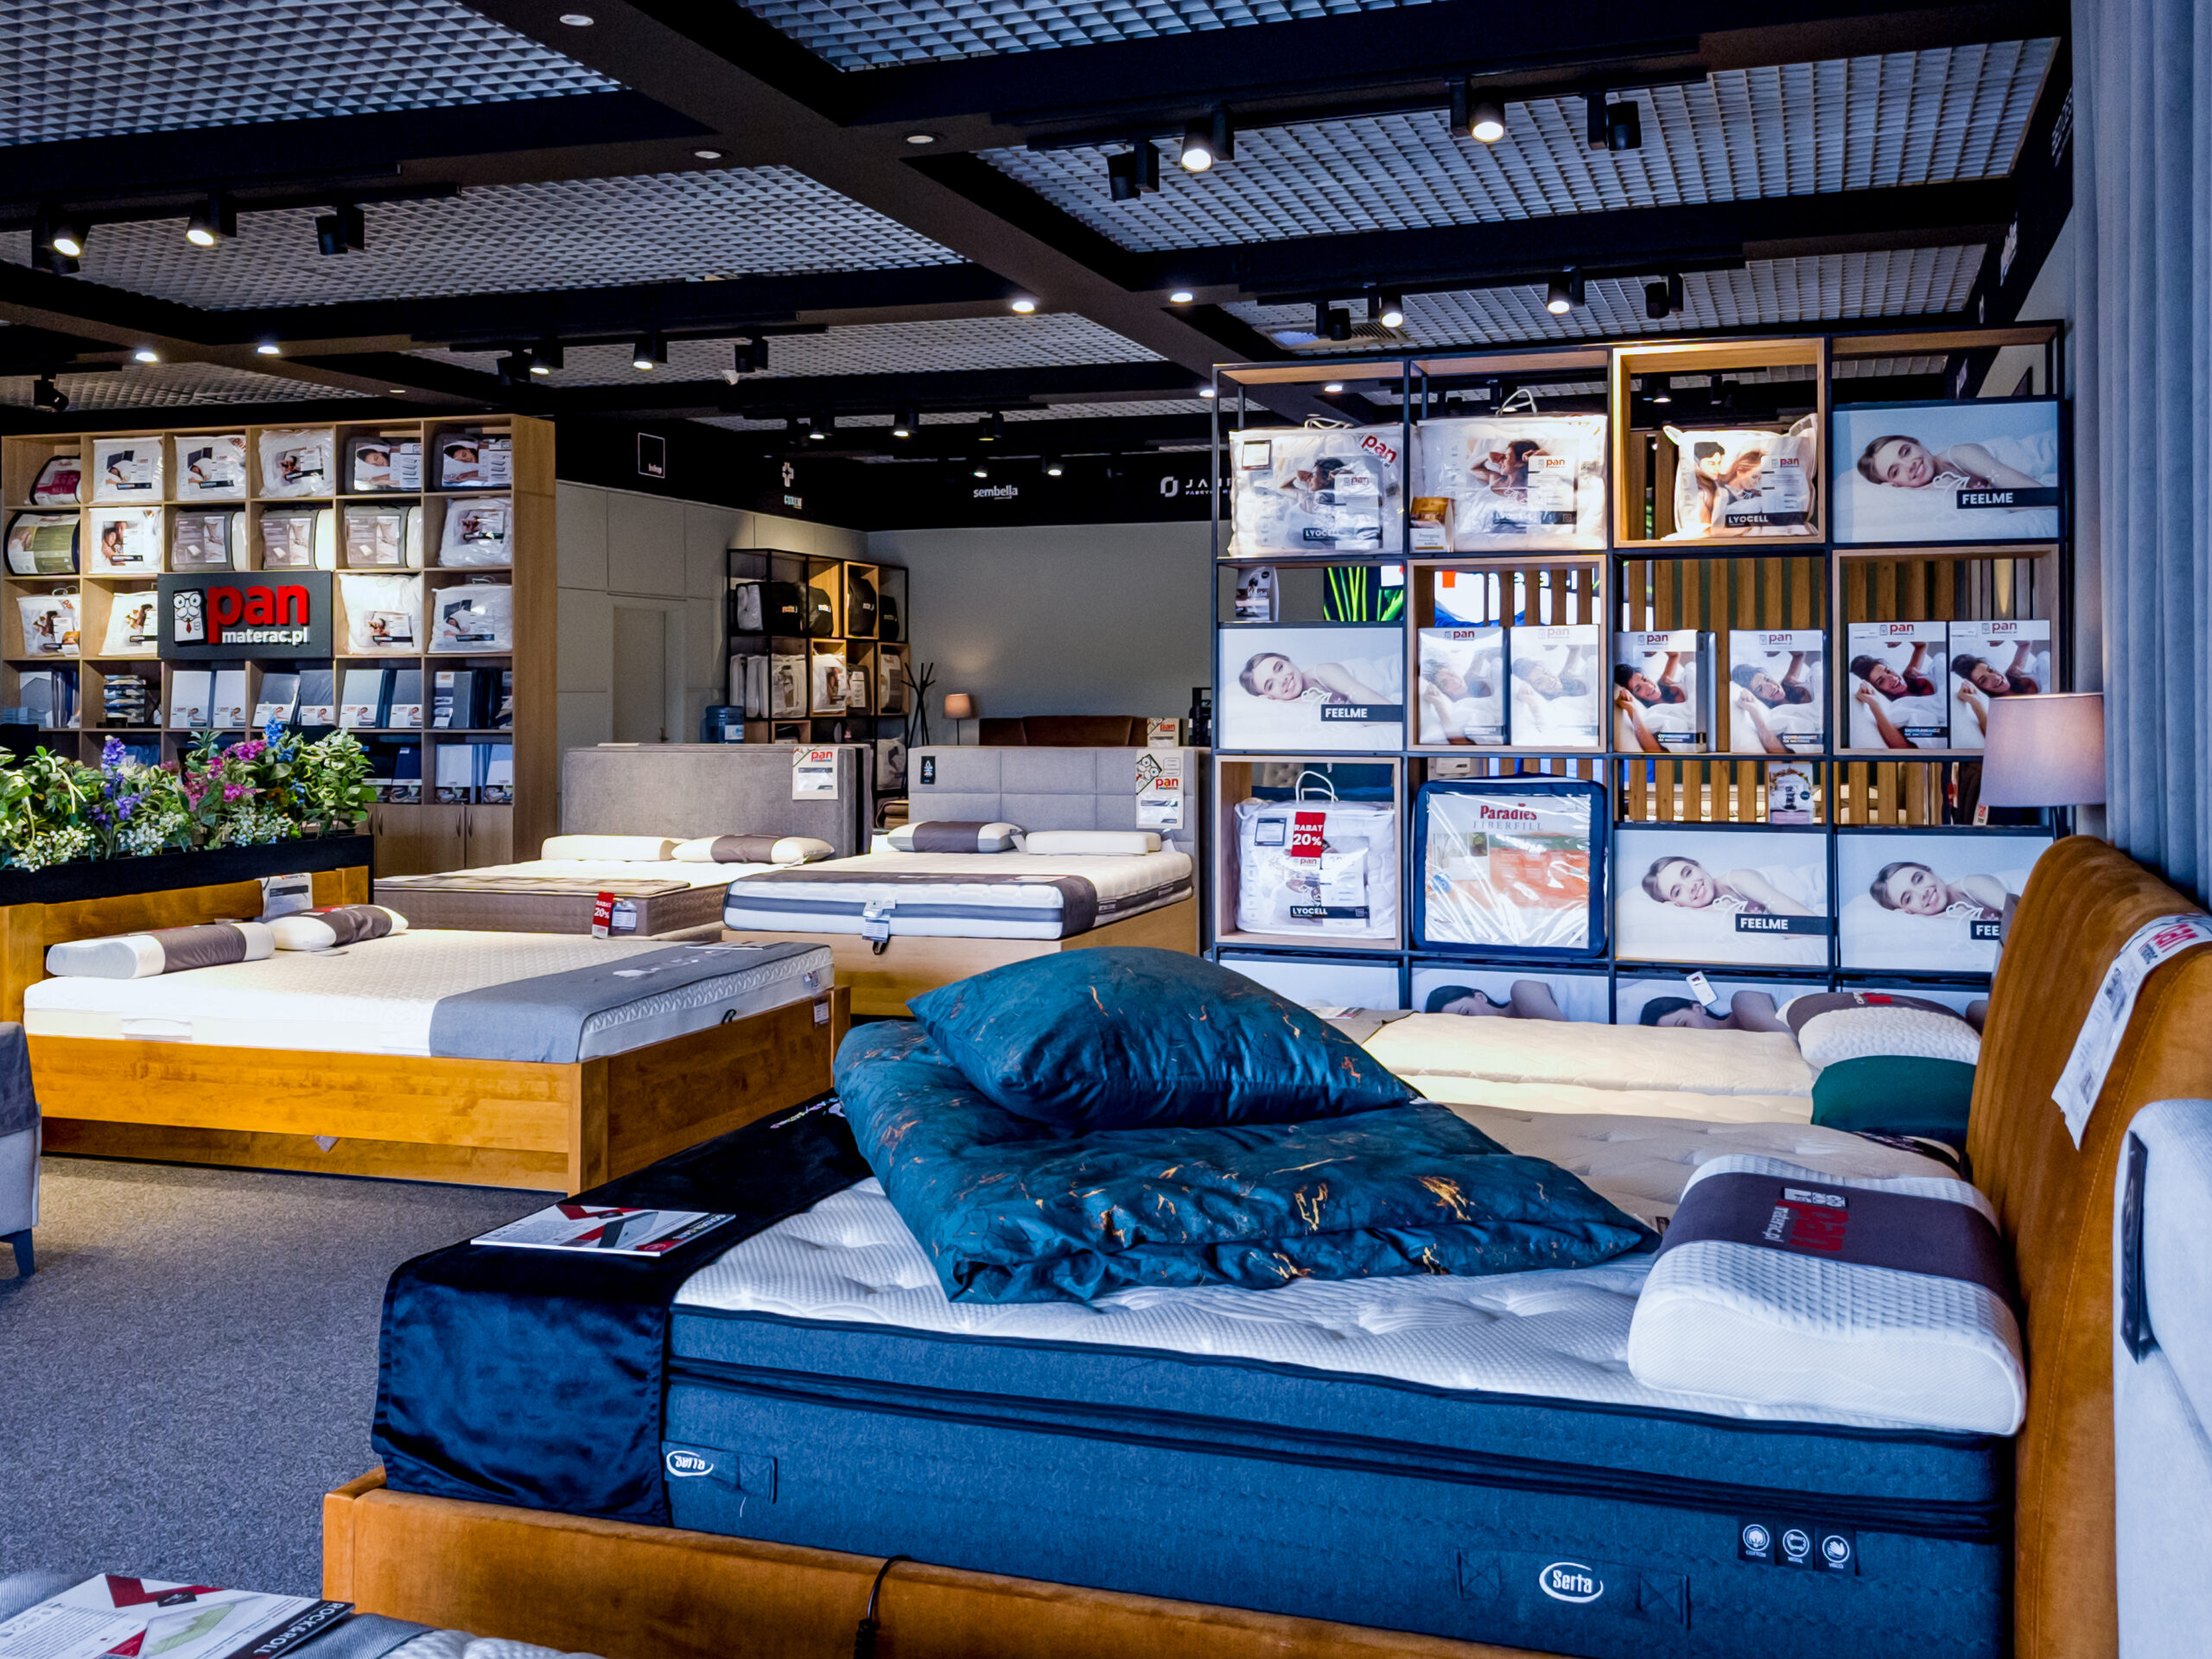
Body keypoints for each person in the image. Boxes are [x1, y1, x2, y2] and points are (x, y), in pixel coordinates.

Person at [1857, 435, 2049, 493]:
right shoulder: (1937, 488)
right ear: (1894, 485)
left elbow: (2036, 496)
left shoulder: (1960, 455)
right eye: (1895, 471)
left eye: (1906, 452)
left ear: (1919, 444)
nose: (1910, 465)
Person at [1642, 855, 1815, 915]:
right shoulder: (1708, 912)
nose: (1690, 886)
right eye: (1678, 891)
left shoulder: (1739, 879)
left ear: (1700, 867)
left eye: (1688, 873)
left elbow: (1807, 924)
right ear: (1675, 904)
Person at [1239, 650, 1395, 707]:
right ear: (1268, 697)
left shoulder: (1323, 672)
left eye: (1279, 668)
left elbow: (1382, 709)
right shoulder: (1300, 703)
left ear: (1289, 661)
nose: (1282, 680)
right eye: (1270, 685)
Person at [1869, 861, 2009, 919]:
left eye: (1919, 879)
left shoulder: (1972, 884)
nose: (1922, 893)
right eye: (1908, 898)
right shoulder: (1937, 921)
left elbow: (2018, 918)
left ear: (1931, 872)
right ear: (1906, 911)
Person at [1637, 989, 1789, 1032]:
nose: (1687, 1036)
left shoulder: (1743, 1001)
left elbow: (1788, 1040)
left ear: (1698, 1008)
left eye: (1684, 1025)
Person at [1425, 981, 1567, 1020]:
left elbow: (1561, 1032)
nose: (1470, 1024)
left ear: (1480, 997)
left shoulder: (1522, 990)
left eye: (1467, 1013)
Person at [1849, 641, 1936, 700]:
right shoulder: (1895, 708)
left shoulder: (1909, 675)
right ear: (1877, 690)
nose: (1893, 678)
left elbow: (1922, 645)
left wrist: (1900, 636)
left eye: (1888, 671)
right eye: (1881, 681)